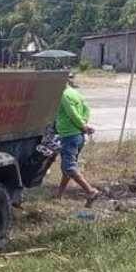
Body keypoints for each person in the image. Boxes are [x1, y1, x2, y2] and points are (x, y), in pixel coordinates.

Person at [54, 73, 100, 205]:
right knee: (68, 168)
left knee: (69, 167)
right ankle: (58, 196)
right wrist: (84, 124)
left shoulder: (64, 95)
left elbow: (72, 113)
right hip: (78, 136)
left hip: (69, 135)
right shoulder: (75, 93)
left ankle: (90, 191)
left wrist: (83, 126)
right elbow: (87, 109)